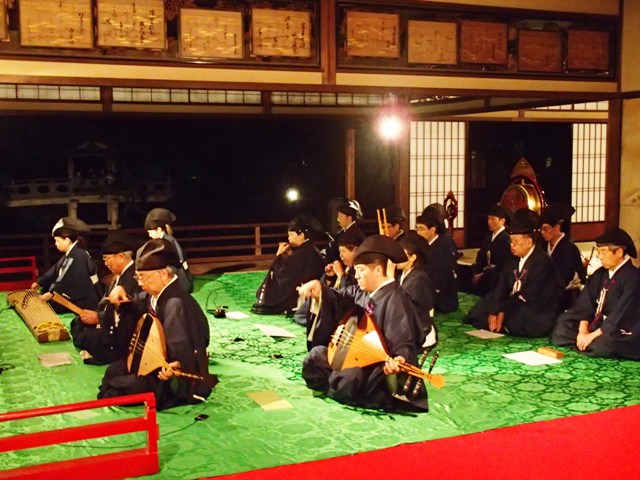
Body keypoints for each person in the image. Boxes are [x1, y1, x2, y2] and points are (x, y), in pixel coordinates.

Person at [299, 235, 428, 412]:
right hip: (351, 353)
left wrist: (399, 358)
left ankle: (336, 385)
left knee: (351, 377)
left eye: (360, 270)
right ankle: (335, 384)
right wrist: (320, 289)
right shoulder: (362, 292)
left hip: (375, 367)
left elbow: (404, 340)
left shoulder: (396, 299)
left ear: (377, 270)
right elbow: (338, 297)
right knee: (315, 357)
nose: (356, 276)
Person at [98, 238, 214, 410]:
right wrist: (121, 295)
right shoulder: (152, 295)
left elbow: (187, 345)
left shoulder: (176, 303)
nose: (139, 283)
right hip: (152, 362)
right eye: (138, 277)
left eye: (144, 278)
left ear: (163, 275)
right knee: (113, 371)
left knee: (118, 389)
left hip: (174, 376)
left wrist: (177, 364)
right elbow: (134, 304)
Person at [463, 208, 564, 337]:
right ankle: (500, 324)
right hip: (513, 301)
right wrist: (494, 310)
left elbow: (529, 294)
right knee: (484, 307)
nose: (511, 245)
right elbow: (502, 286)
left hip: (534, 307)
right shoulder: (513, 260)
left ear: (529, 242)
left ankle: (502, 325)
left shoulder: (543, 262)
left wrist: (503, 310)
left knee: (518, 315)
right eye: (510, 241)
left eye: (515, 242)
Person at [551, 228, 640, 359]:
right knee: (561, 330)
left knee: (604, 344)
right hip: (596, 325)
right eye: (598, 251)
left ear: (619, 252)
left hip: (618, 329)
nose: (599, 256)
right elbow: (584, 305)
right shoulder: (599, 274)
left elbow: (620, 315)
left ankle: (586, 344)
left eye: (603, 251)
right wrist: (583, 331)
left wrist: (592, 335)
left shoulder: (633, 277)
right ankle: (585, 344)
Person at [70, 232, 141, 365]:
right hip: (108, 321)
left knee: (86, 336)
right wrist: (96, 315)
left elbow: (129, 312)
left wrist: (99, 318)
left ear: (120, 257)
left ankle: (102, 354)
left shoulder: (133, 278)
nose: (106, 263)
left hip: (120, 331)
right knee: (77, 323)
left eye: (107, 259)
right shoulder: (119, 275)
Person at [252, 214, 326, 315]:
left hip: (303, 293)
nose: (289, 238)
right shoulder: (309, 249)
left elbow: (283, 272)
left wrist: (279, 255)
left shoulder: (303, 252)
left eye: (291, 235)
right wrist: (290, 256)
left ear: (301, 235)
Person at [31, 217, 102, 312]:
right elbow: (55, 268)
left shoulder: (78, 254)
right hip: (76, 295)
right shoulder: (72, 253)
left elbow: (66, 276)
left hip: (85, 300)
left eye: (57, 241)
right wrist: (40, 282)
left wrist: (52, 292)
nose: (56, 244)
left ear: (67, 240)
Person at [539, 203, 586, 311]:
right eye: (541, 229)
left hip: (565, 296)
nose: (543, 233)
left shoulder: (569, 249)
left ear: (557, 227)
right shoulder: (543, 246)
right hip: (547, 293)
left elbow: (564, 278)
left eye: (546, 229)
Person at [396, 232, 437, 348]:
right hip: (409, 328)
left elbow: (397, 302)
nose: (395, 257)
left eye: (400, 253)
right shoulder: (402, 274)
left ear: (413, 257)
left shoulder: (419, 279)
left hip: (421, 332)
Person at [415, 208, 459, 313]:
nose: (418, 233)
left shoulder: (443, 246)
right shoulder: (422, 244)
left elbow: (440, 274)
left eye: (421, 229)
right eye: (417, 229)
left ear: (432, 230)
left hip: (442, 294)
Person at [145, 208, 193, 293]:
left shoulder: (168, 241)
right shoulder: (165, 240)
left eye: (150, 232)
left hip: (179, 282)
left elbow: (176, 263)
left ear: (159, 229)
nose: (149, 235)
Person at [470, 204, 511, 297]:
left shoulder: (506, 239)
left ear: (502, 220)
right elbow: (480, 255)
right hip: (484, 275)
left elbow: (503, 264)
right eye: (488, 219)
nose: (489, 222)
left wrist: (482, 274)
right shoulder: (488, 237)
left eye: (493, 219)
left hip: (495, 279)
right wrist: (477, 271)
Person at [323, 199, 366, 264]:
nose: (338, 219)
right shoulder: (341, 233)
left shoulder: (357, 235)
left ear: (349, 217)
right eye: (338, 216)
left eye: (341, 216)